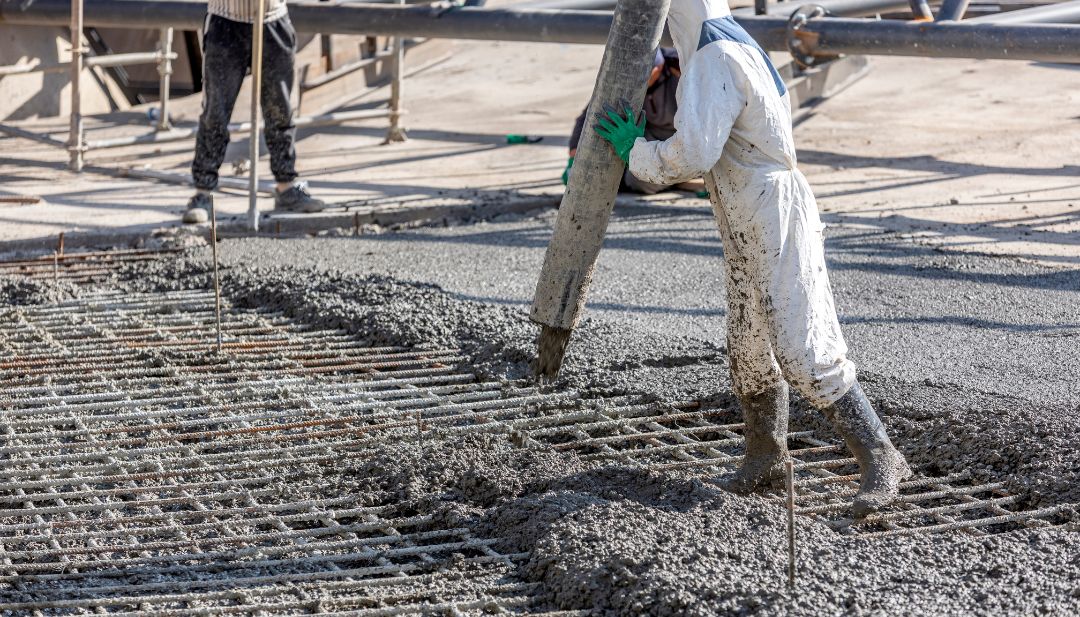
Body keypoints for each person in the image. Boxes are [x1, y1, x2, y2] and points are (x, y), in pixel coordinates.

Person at [594, 0, 911, 517]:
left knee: (800, 345)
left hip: (771, 212)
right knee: (748, 345)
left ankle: (881, 455)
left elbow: (693, 155)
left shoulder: (715, 56)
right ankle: (765, 457)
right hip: (749, 210)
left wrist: (637, 152)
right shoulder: (725, 42)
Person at [183, 0, 326, 224]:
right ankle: (203, 193)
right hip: (226, 20)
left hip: (273, 19)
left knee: (280, 109)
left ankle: (286, 185)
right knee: (215, 112)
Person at [565, 48, 703, 195]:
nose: (640, 81)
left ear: (659, 67)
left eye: (647, 74)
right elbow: (593, 113)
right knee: (601, 161)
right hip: (645, 133)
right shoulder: (626, 82)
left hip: (683, 137)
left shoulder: (682, 70)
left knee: (641, 180)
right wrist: (576, 155)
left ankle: (675, 177)